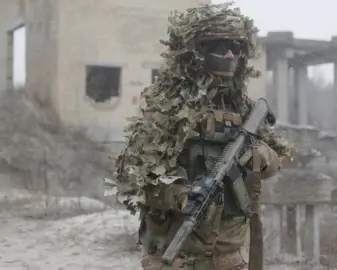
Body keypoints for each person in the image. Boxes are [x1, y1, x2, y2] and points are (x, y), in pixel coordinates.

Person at [106, 3, 294, 270]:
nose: (229, 54)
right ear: (195, 51)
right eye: (219, 46)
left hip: (230, 255)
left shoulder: (242, 108)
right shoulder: (166, 111)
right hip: (178, 255)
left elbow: (276, 159)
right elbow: (132, 179)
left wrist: (261, 155)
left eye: (235, 47)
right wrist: (182, 194)